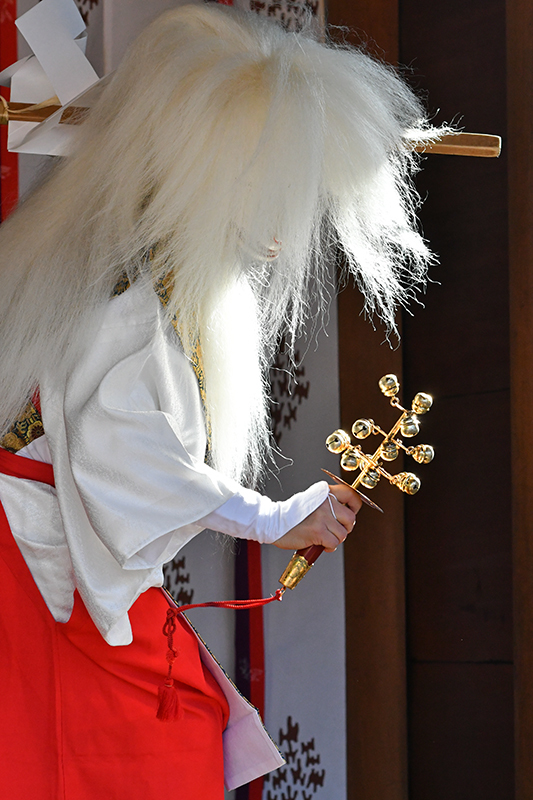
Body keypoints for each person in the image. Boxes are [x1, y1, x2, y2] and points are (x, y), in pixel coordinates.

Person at [0, 3, 438, 798]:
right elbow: (127, 459)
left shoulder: (131, 282)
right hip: (40, 582)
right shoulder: (126, 300)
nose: (283, 228)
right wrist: (267, 517)